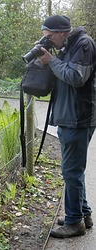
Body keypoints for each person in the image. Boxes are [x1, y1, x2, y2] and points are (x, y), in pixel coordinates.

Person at [38, 15, 96, 238]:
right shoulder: (67, 46)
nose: (49, 41)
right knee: (73, 171)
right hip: (68, 117)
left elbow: (75, 77)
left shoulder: (84, 44)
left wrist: (51, 61)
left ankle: (74, 223)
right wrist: (48, 60)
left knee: (71, 171)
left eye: (50, 37)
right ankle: (83, 214)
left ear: (62, 32)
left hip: (78, 118)